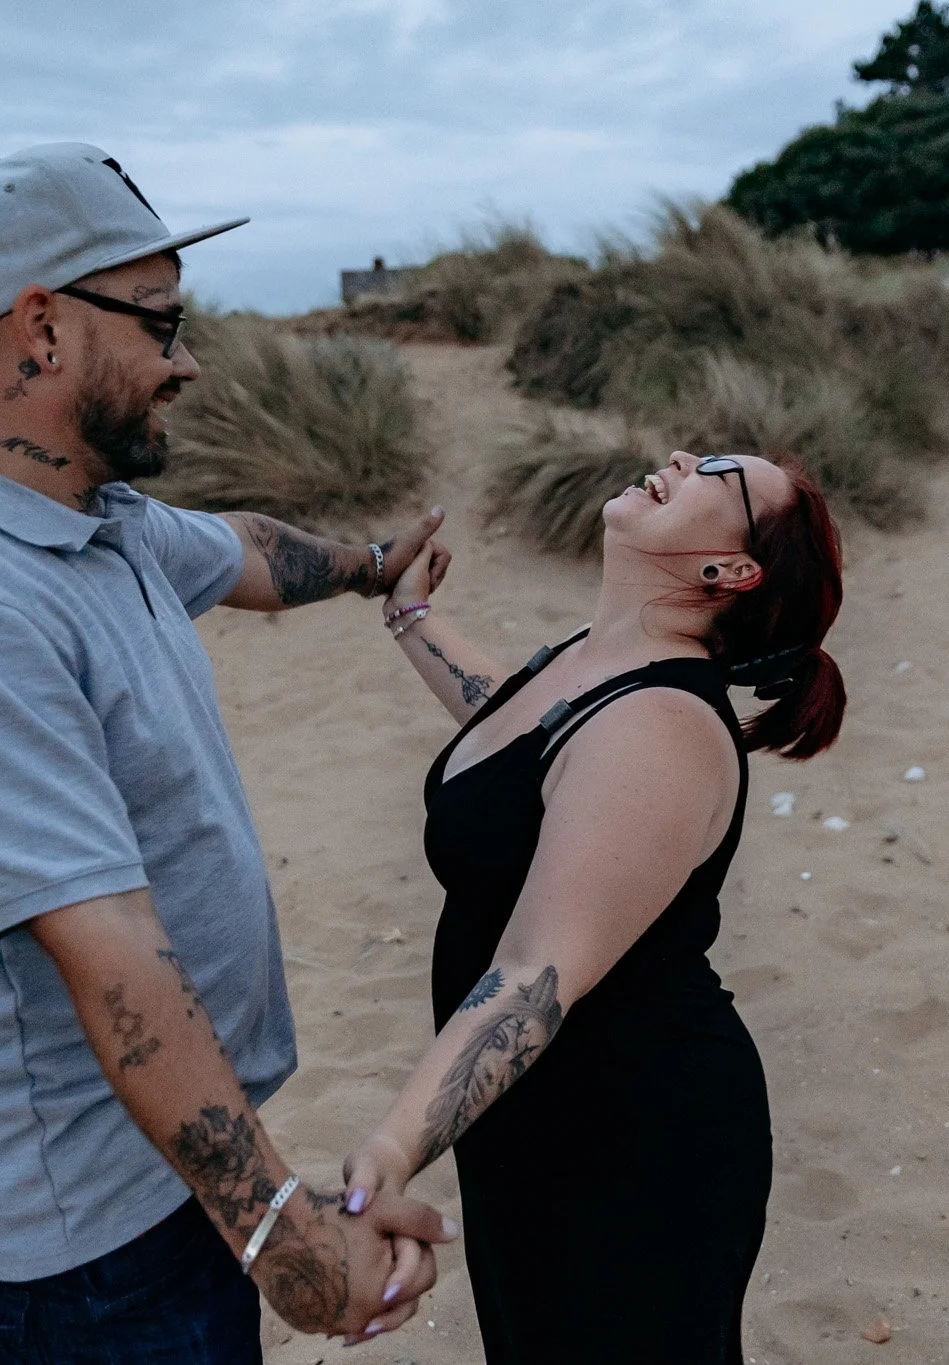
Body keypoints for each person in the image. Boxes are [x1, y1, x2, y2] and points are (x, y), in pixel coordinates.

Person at [0, 143, 457, 1364]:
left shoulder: (86, 515)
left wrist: (375, 563)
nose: (185, 359)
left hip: (172, 1181)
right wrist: (288, 1246)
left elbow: (244, 553)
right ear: (41, 327)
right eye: (160, 322)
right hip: (83, 1255)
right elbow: (110, 961)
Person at [339, 451, 849, 1360]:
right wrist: (410, 614)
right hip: (534, 1118)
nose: (686, 459)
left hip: (631, 1142)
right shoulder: (596, 658)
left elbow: (534, 976)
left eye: (718, 474)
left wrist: (388, 1150)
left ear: (728, 571)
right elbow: (514, 724)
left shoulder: (661, 727)